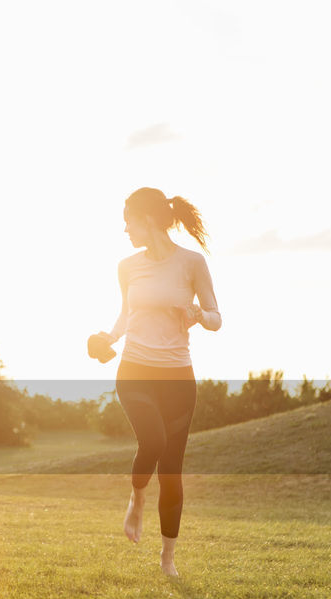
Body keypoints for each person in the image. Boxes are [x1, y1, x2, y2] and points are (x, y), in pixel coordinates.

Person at [87, 188, 222, 577]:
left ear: (147, 220)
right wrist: (107, 340)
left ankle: (167, 560)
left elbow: (216, 317)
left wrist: (198, 314)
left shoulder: (192, 263)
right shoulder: (127, 266)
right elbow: (125, 314)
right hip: (135, 370)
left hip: (178, 375)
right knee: (154, 441)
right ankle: (136, 498)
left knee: (172, 471)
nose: (125, 228)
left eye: (129, 220)